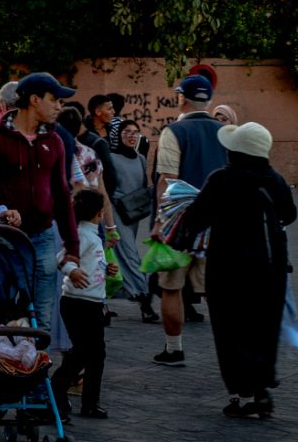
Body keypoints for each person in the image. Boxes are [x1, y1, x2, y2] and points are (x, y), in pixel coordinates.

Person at [168, 125, 293, 419]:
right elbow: (290, 214)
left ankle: (243, 395)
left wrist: (179, 238)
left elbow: (197, 217)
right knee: (264, 327)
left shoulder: (222, 179)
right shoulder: (275, 180)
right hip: (271, 268)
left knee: (231, 329)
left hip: (229, 267)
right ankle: (260, 386)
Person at [0, 73, 81, 355]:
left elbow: (62, 195)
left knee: (42, 315)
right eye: (54, 100)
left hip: (43, 238)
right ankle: (5, 370)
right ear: (34, 100)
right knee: (3, 310)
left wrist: (72, 247)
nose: (59, 107)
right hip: (2, 241)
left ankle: (38, 380)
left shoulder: (55, 141)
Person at [153, 73, 229, 365]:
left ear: (182, 98)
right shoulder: (226, 132)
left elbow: (167, 181)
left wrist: (161, 223)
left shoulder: (174, 132)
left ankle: (174, 348)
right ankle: (231, 349)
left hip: (179, 226)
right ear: (209, 101)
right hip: (217, 225)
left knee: (171, 287)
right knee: (217, 290)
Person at [58, 188, 111, 419]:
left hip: (90, 302)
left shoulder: (89, 235)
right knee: (86, 352)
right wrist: (73, 270)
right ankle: (58, 389)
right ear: (99, 214)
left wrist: (105, 270)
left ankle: (87, 400)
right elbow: (61, 258)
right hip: (79, 303)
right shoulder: (82, 235)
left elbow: (91, 263)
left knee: (92, 352)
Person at [102, 115, 156, 320]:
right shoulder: (111, 158)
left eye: (135, 132)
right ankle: (144, 298)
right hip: (116, 213)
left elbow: (142, 185)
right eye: (126, 132)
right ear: (119, 135)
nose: (131, 136)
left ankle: (104, 302)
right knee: (131, 255)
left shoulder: (141, 159)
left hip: (133, 215)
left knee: (119, 256)